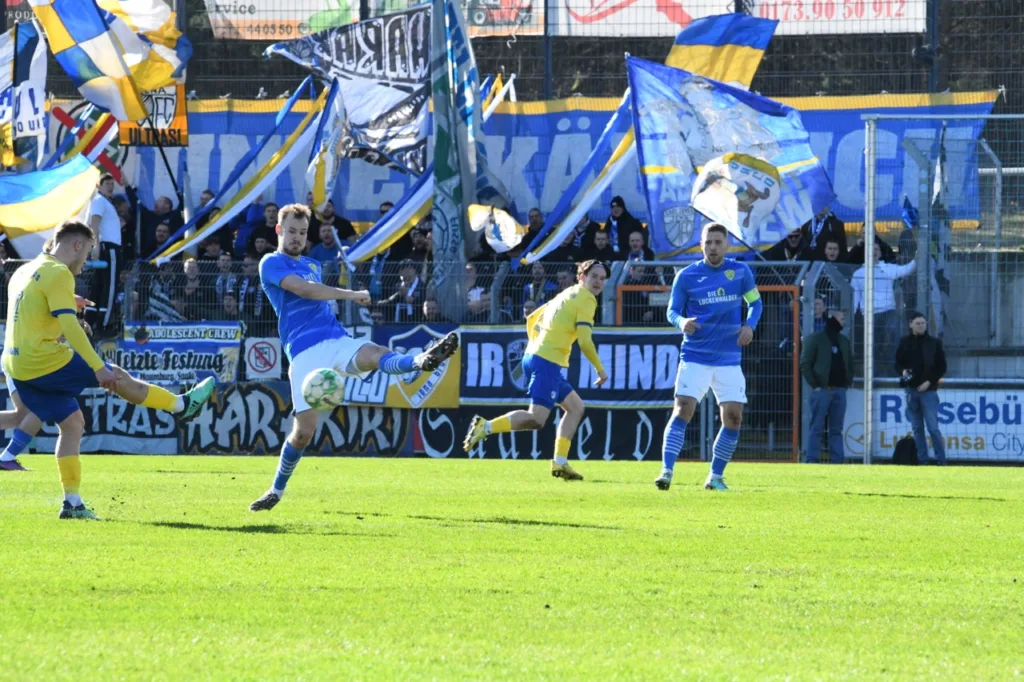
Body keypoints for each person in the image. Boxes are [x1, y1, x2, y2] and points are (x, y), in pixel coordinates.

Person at [249, 204, 458, 512]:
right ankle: (276, 490)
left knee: (374, 353)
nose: (297, 237)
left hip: (335, 339)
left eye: (303, 233)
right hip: (303, 352)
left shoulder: (312, 264)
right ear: (279, 230)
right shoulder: (270, 262)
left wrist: (344, 295)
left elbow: (315, 289)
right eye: (291, 231)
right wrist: (349, 293)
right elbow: (305, 291)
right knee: (304, 432)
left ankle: (418, 363)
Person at [2, 221, 215, 517]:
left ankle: (72, 504)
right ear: (77, 245)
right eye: (88, 251)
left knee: (72, 424)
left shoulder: (26, 269)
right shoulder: (59, 272)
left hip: (17, 364)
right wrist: (98, 366)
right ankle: (182, 406)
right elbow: (72, 329)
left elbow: (30, 312)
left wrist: (67, 300)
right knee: (116, 375)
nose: (87, 260)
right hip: (42, 360)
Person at [463, 260, 609, 481]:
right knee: (537, 418)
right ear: (581, 277)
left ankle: (560, 462)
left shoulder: (567, 293)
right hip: (546, 361)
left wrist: (536, 344)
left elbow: (533, 317)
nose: (598, 281)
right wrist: (600, 370)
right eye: (594, 276)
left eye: (602, 277)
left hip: (536, 356)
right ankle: (486, 427)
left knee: (576, 407)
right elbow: (586, 342)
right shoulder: (587, 299)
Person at [656, 222, 763, 492]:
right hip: (695, 355)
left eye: (718, 242)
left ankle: (715, 477)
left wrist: (750, 325)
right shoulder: (686, 276)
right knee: (683, 410)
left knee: (734, 418)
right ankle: (666, 472)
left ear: (727, 245)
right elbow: (672, 311)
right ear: (701, 245)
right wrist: (681, 322)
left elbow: (755, 302)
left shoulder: (740, 272)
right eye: (708, 242)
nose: (713, 247)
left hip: (729, 358)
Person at [800, 307, 853, 464]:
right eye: (842, 319)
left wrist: (847, 382)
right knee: (816, 427)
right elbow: (805, 363)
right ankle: (812, 459)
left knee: (836, 429)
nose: (844, 322)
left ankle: (837, 461)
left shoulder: (844, 341)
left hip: (839, 390)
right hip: (822, 390)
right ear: (832, 319)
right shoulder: (815, 339)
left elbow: (850, 362)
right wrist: (815, 385)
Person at [895, 312, 947, 465]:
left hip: (929, 392)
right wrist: (903, 371)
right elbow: (897, 363)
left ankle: (941, 460)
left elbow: (942, 366)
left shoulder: (934, 343)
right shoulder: (904, 342)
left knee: (933, 428)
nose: (921, 325)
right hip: (911, 390)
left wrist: (929, 382)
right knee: (917, 428)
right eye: (918, 323)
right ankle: (923, 460)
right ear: (911, 325)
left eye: (923, 323)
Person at [88, 173, 122, 335]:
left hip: (106, 248)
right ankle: (104, 324)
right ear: (98, 186)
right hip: (109, 249)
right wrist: (95, 246)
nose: (110, 186)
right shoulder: (99, 201)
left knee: (99, 286)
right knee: (109, 288)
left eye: (112, 183)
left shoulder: (105, 202)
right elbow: (95, 222)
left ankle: (91, 321)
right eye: (106, 183)